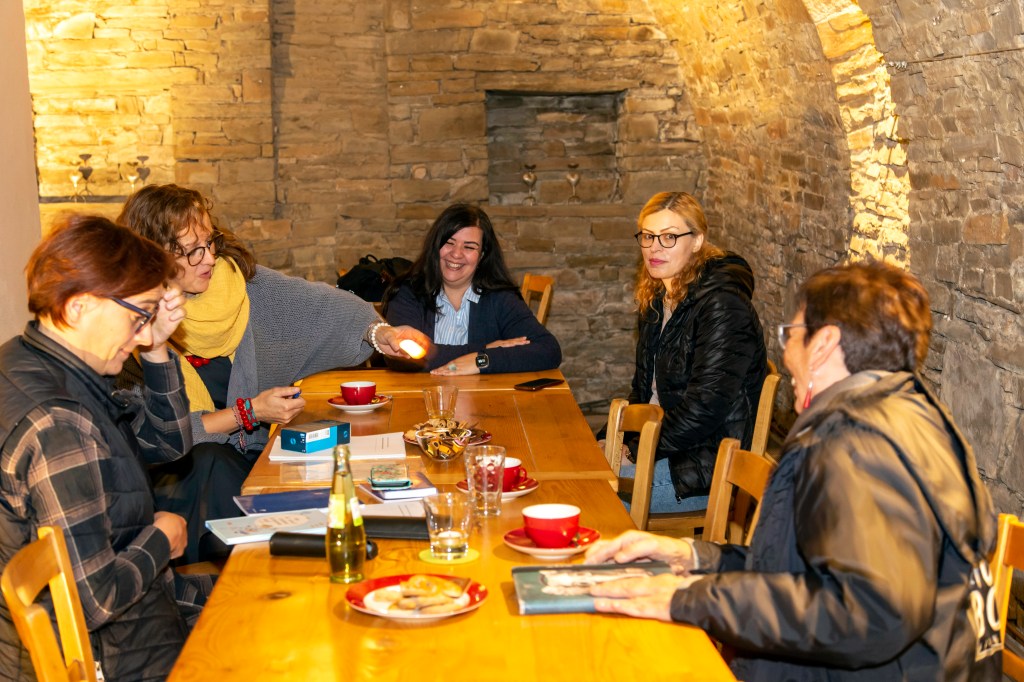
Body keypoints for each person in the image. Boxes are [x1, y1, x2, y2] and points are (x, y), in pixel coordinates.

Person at [584, 261, 1000, 681]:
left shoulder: (856, 445)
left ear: (823, 345)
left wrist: (689, 597)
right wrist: (695, 558)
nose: (785, 355)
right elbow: (800, 572)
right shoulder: (914, 417)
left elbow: (867, 613)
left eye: (792, 335)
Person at [117, 184, 430, 562]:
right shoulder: (131, 328)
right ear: (157, 255)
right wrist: (248, 413)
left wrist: (381, 335)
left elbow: (328, 307)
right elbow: (154, 439)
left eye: (210, 242)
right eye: (193, 249)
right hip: (179, 484)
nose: (209, 257)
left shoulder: (243, 286)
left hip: (253, 462)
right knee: (210, 460)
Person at [0, 216, 209, 680]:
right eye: (138, 316)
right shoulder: (57, 423)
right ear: (78, 308)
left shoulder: (31, 362)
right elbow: (94, 600)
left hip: (137, 621)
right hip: (115, 656)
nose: (142, 334)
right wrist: (162, 538)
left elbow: (170, 445)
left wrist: (156, 350)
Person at [608, 192, 766, 512]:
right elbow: (643, 390)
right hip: (667, 446)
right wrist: (613, 438)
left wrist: (634, 451)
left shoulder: (722, 305)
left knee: (596, 495)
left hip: (707, 464)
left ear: (697, 241)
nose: (654, 248)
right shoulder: (658, 297)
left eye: (669, 237)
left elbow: (704, 408)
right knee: (578, 469)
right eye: (648, 236)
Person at [382, 203, 561, 375]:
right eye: (449, 243)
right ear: (436, 246)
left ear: (482, 256)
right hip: (425, 395)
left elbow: (548, 351)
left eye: (469, 247)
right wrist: (484, 349)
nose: (456, 253)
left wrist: (480, 360)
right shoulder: (408, 293)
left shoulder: (500, 298)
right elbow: (403, 357)